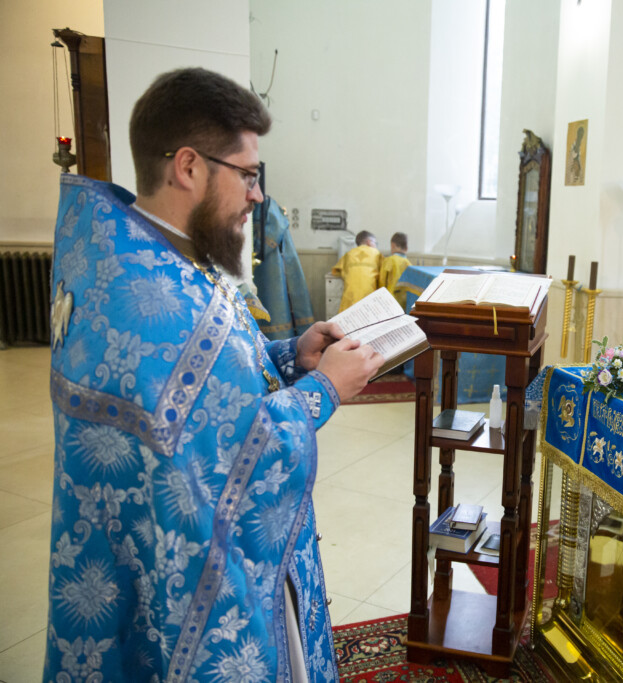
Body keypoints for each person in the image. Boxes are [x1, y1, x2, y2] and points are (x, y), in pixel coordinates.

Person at [44, 67, 383, 682]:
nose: (257, 195)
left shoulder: (142, 256)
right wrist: (324, 389)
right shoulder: (157, 307)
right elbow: (227, 466)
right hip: (184, 608)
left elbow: (218, 391)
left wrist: (290, 356)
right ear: (188, 167)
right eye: (248, 174)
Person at [331, 230, 381, 312]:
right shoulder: (376, 253)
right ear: (369, 242)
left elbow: (336, 271)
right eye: (375, 243)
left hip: (349, 300)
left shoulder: (349, 254)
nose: (375, 245)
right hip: (369, 300)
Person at [378, 231, 411, 308]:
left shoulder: (389, 260)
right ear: (406, 248)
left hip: (389, 300)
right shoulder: (409, 264)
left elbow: (382, 281)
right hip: (403, 303)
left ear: (392, 245)